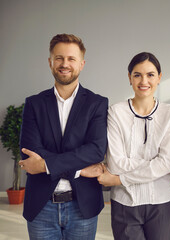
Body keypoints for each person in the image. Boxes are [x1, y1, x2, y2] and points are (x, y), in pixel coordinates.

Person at [19, 33, 108, 240]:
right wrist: (79, 166)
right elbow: (29, 148)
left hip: (82, 206)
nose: (64, 64)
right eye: (59, 58)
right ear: (50, 62)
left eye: (71, 59)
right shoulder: (34, 103)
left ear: (82, 64)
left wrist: (44, 165)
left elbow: (95, 149)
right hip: (41, 206)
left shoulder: (97, 103)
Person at [96, 52, 170, 240]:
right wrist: (154, 165)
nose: (144, 81)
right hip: (125, 203)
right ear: (129, 78)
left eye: (150, 75)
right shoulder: (116, 112)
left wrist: (119, 180)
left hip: (162, 202)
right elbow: (116, 164)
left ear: (159, 77)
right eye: (137, 75)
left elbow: (166, 163)